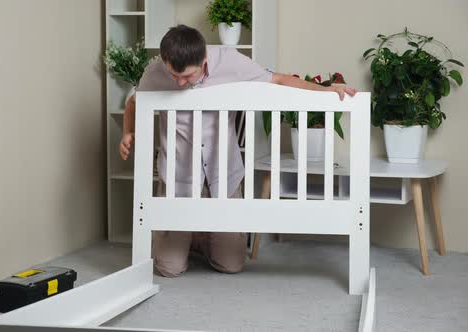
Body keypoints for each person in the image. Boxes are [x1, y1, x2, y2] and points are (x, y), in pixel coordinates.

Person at [119, 25, 356, 278]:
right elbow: (135, 101)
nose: (179, 82)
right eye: (173, 74)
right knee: (169, 268)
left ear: (204, 61)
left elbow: (277, 79)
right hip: (178, 174)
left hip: (223, 173)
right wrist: (127, 132)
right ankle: (186, 236)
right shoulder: (155, 71)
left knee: (231, 263)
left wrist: (325, 91)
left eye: (187, 76)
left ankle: (199, 237)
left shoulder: (229, 61)